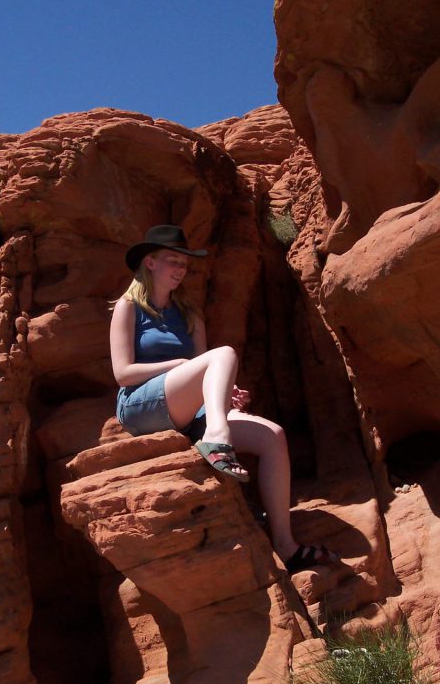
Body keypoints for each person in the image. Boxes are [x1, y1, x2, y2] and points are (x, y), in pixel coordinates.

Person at [110, 225, 336, 574]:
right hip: (141, 407)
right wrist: (182, 365)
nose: (180, 268)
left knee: (273, 435)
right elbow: (123, 373)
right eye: (173, 261)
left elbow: (204, 374)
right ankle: (218, 436)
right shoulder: (128, 308)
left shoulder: (189, 314)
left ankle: (286, 545)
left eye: (184, 263)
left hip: (186, 411)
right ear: (149, 263)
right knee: (224, 354)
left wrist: (226, 396)